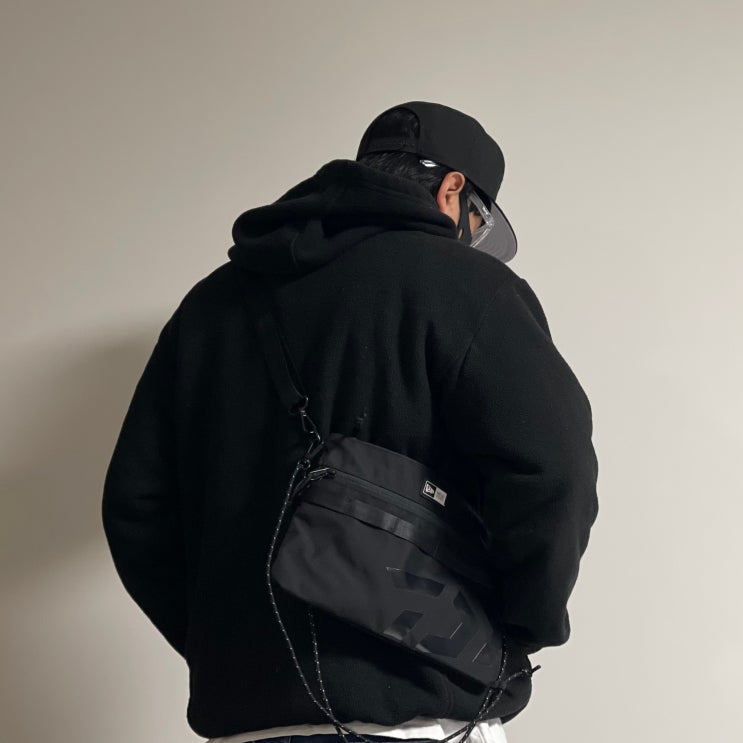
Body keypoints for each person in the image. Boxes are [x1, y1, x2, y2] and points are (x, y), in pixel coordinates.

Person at [101, 101, 599, 743]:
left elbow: (137, 508)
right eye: (476, 224)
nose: (471, 240)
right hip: (420, 716)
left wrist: (230, 647)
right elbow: (553, 469)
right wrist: (522, 625)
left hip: (247, 725)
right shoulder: (466, 286)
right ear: (453, 191)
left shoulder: (208, 306)